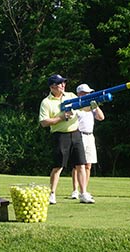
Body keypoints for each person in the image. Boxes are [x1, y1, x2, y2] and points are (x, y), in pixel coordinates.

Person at [38, 74, 94, 204]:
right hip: (60, 135)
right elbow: (44, 122)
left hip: (76, 133)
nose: (63, 85)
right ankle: (52, 193)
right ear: (52, 87)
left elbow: (83, 107)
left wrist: (93, 105)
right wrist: (61, 118)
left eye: (63, 83)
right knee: (58, 166)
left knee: (81, 164)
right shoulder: (46, 102)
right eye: (60, 83)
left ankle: (83, 193)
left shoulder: (71, 96)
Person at [70, 84, 105, 200]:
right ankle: (75, 190)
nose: (88, 95)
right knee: (78, 165)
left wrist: (96, 107)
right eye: (85, 93)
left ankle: (84, 190)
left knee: (88, 165)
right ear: (79, 94)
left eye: (89, 93)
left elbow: (101, 117)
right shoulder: (76, 106)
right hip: (79, 135)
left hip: (90, 135)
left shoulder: (91, 106)